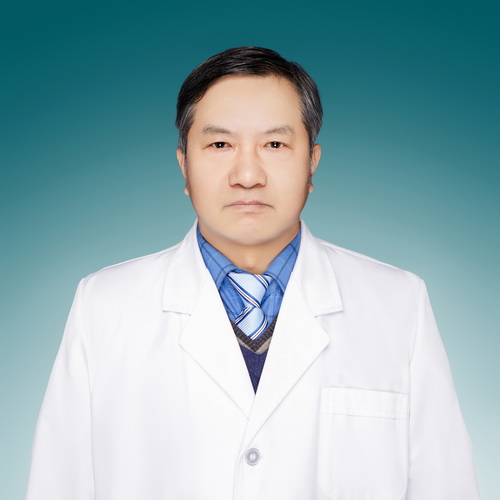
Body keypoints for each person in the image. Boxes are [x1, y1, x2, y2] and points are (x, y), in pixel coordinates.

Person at [25, 47, 480, 499]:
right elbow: (57, 485)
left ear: (312, 162)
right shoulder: (104, 306)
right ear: (184, 164)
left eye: (275, 145)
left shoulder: (398, 304)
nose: (247, 175)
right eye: (220, 145)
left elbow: (446, 487)